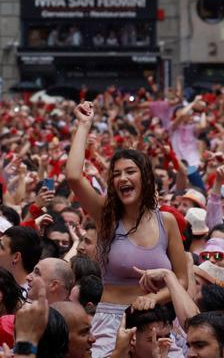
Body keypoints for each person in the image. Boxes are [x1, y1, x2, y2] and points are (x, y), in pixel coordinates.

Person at [66, 102, 190, 357]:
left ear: (145, 178)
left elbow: (182, 279)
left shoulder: (166, 221)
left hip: (159, 323)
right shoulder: (106, 216)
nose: (122, 178)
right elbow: (74, 177)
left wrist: (155, 298)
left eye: (130, 172)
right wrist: (83, 125)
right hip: (113, 321)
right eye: (117, 174)